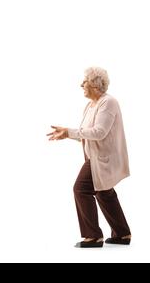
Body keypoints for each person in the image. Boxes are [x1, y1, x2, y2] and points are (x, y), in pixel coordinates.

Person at [47, 67, 131, 248]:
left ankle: (93, 236)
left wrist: (70, 131)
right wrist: (67, 134)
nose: (81, 85)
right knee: (104, 192)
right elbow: (88, 134)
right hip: (96, 157)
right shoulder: (91, 105)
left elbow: (99, 132)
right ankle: (123, 234)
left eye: (84, 81)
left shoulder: (108, 103)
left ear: (95, 83)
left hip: (103, 159)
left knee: (81, 188)